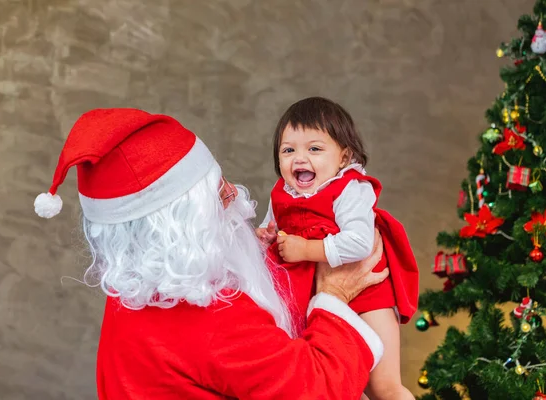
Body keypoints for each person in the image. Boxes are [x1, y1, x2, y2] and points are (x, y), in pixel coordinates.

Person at [33, 108, 389, 399]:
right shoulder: (214, 316)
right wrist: (335, 296)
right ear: (181, 224)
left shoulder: (137, 283)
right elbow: (316, 390)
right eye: (216, 192)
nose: (233, 193)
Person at [255, 97, 418, 400]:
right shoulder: (282, 193)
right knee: (339, 385)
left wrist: (305, 249)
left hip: (367, 294)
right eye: (288, 150)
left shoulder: (350, 188)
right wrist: (266, 235)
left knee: (385, 386)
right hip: (313, 295)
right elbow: (273, 229)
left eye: (314, 149)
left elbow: (360, 243)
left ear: (344, 157)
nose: (300, 159)